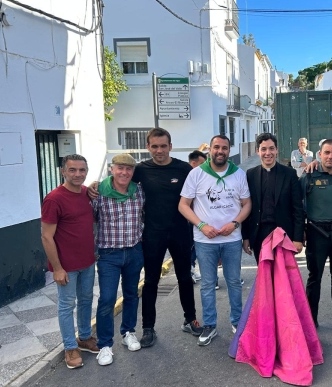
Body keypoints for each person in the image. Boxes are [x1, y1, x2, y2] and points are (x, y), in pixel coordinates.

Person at [90, 128, 202, 347]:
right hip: (152, 234)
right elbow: (117, 179)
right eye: (154, 146)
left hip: (180, 232)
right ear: (148, 147)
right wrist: (94, 185)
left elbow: (199, 194)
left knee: (184, 278)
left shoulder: (184, 169)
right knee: (151, 281)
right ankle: (148, 328)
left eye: (163, 146)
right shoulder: (141, 170)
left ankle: (190, 319)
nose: (159, 150)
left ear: (170, 146)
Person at [179, 135, 251, 346]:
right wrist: (201, 225)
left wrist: (235, 223)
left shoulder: (239, 174)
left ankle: (238, 322)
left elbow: (247, 203)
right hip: (204, 240)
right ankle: (210, 325)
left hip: (232, 239)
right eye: (216, 147)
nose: (220, 151)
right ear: (209, 149)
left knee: (234, 282)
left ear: (229, 150)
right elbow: (183, 205)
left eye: (224, 148)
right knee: (208, 284)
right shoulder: (196, 174)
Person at [41, 154, 98, 369]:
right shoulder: (54, 199)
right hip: (66, 266)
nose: (77, 174)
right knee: (67, 305)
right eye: (72, 170)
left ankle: (84, 337)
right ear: (63, 171)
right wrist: (57, 268)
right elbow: (46, 236)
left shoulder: (86, 193)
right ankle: (70, 346)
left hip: (88, 262)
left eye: (82, 170)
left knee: (86, 300)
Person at [93, 154, 145, 366]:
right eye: (120, 168)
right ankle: (105, 345)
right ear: (112, 169)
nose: (124, 172)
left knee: (131, 294)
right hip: (109, 254)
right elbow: (90, 219)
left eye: (129, 169)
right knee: (107, 298)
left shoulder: (138, 191)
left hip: (134, 250)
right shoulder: (98, 193)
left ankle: (128, 332)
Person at [300, 139, 332, 333]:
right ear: (319, 154)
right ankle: (310, 319)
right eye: (327, 152)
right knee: (315, 277)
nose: (330, 156)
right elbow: (297, 205)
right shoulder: (309, 175)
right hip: (316, 233)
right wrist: (300, 231)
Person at [243, 133, 304, 263]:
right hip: (259, 235)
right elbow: (247, 207)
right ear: (258, 151)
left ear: (276, 150)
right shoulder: (250, 174)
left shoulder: (289, 174)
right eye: (263, 149)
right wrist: (246, 237)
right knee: (264, 274)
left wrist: (298, 238)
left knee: (282, 274)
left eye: (271, 148)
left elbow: (298, 208)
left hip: (283, 234)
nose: (268, 153)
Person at [188, 150, 208, 282]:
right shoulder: (188, 177)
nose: (205, 167)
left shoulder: (203, 177)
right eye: (202, 164)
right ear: (193, 163)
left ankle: (192, 268)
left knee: (194, 246)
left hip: (199, 220)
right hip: (189, 220)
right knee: (191, 246)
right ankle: (190, 270)